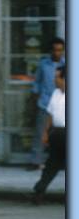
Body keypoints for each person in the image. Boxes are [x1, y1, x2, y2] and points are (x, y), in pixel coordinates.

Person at [30, 38, 65, 170]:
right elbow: (37, 82)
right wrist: (35, 98)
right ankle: (35, 162)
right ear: (51, 50)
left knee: (62, 135)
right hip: (45, 103)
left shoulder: (67, 64)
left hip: (61, 105)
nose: (57, 53)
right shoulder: (43, 64)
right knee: (40, 133)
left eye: (60, 50)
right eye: (55, 50)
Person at [32, 65, 66, 204]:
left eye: (57, 77)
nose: (54, 80)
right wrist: (46, 132)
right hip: (57, 133)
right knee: (52, 164)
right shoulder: (56, 93)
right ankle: (39, 191)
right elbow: (50, 114)